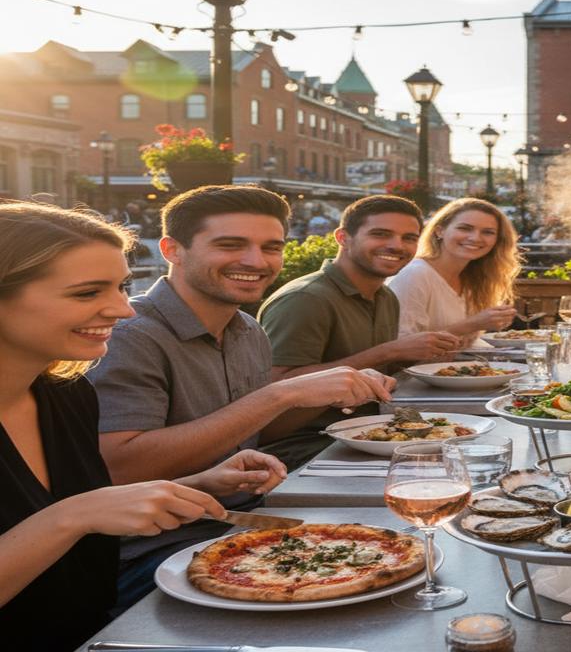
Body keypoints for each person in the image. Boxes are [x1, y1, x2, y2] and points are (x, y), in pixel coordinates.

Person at [0, 202, 287, 650]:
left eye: (121, 287)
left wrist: (189, 486)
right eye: (86, 293)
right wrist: (73, 516)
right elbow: (73, 516)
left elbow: (87, 518)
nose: (124, 310)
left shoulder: (66, 394)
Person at [89, 185, 394, 605]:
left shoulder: (247, 329)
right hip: (150, 550)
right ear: (172, 250)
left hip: (243, 521)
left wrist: (325, 394)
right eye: (230, 245)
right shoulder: (130, 336)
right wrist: (280, 394)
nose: (256, 261)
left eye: (271, 247)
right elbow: (122, 467)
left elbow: (255, 432)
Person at [257, 195, 461, 467]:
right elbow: (276, 389)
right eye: (380, 234)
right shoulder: (306, 299)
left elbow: (377, 372)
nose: (396, 245)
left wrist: (418, 357)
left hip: (371, 431)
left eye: (409, 238)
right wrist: (389, 351)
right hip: (304, 446)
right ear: (343, 238)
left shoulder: (385, 296)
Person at [386, 197, 519, 344]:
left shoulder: (475, 278)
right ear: (440, 231)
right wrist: (473, 324)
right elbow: (402, 345)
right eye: (465, 228)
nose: (475, 238)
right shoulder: (415, 275)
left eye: (488, 232)